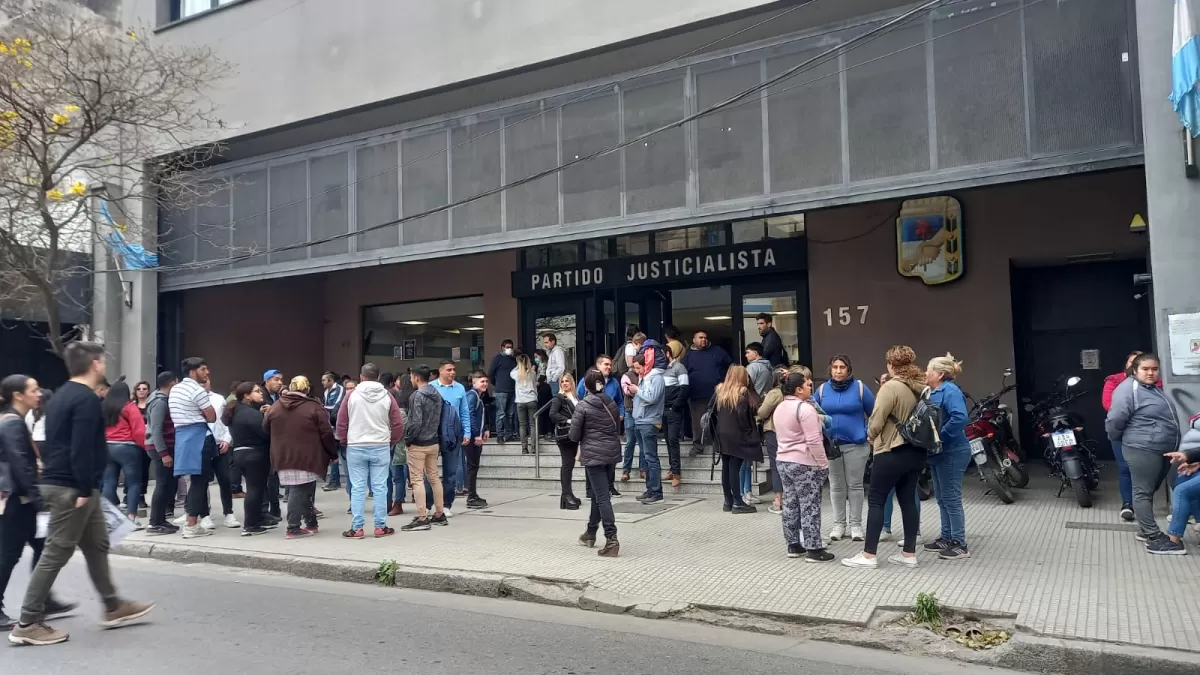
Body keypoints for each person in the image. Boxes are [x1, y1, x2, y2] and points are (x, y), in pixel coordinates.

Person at [9, 341, 154, 646]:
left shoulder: (62, 394)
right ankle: (28, 621)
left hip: (71, 484)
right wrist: (85, 487)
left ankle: (113, 606)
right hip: (73, 487)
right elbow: (81, 448)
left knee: (96, 545)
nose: (104, 365)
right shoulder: (86, 399)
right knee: (56, 551)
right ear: (96, 364)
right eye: (103, 361)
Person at [0, 375, 77, 631]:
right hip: (16, 500)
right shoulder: (11, 423)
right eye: (33, 390)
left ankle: (45, 599)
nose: (39, 394)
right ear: (18, 395)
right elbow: (20, 464)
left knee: (43, 547)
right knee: (8, 555)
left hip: (23, 498)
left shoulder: (16, 420)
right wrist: (37, 496)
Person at [842, 346, 927, 570]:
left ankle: (869, 555)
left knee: (877, 500)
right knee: (908, 500)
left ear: (891, 364)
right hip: (916, 450)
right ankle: (909, 553)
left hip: (891, 449)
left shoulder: (891, 387)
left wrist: (871, 436)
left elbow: (877, 421)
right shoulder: (920, 386)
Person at [1105, 353, 1181, 553]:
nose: (1150, 372)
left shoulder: (1153, 389)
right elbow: (1115, 419)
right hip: (1143, 448)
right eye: (1145, 369)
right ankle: (1154, 537)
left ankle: (1144, 528)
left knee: (1148, 490)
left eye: (1154, 369)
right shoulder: (1128, 388)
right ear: (1135, 370)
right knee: (1142, 491)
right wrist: (1117, 437)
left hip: (1160, 449)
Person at [337, 363, 404, 539]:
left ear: (361, 377)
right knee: (380, 487)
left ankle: (357, 528)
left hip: (356, 445)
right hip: (381, 445)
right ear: (379, 376)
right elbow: (398, 423)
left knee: (358, 487)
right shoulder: (388, 396)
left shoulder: (351, 396)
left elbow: (342, 422)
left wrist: (345, 441)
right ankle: (380, 526)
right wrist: (391, 441)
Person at [265, 376, 337, 539]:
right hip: (307, 456)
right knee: (299, 490)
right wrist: (332, 453)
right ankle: (293, 527)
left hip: (282, 455)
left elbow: (265, 426)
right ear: (306, 389)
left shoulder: (275, 406)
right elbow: (326, 432)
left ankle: (311, 523)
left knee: (303, 490)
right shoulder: (313, 407)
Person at [813, 355, 875, 542]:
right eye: (835, 367)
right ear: (830, 370)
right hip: (832, 446)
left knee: (855, 485)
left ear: (849, 369)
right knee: (836, 486)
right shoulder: (822, 390)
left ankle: (856, 525)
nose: (838, 371)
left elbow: (875, 413)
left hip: (856, 445)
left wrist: (865, 432)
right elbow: (812, 413)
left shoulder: (861, 388)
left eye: (842, 367)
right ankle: (838, 524)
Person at [773, 369, 833, 562]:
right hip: (805, 462)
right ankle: (814, 549)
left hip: (783, 460)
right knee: (810, 505)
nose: (810, 387)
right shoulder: (806, 409)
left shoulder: (780, 407)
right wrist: (823, 464)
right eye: (808, 385)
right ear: (799, 389)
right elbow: (814, 440)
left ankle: (793, 544)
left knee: (790, 503)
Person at [923, 354, 972, 560]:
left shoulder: (950, 391)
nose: (926, 373)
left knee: (951, 497)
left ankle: (959, 543)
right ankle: (946, 536)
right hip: (939, 452)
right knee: (942, 497)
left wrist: (940, 437)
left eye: (929, 370)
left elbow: (960, 417)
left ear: (940, 374)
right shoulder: (933, 391)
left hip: (952, 451)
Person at [570, 368, 622, 557]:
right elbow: (617, 426)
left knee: (602, 497)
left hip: (593, 454)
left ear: (585, 385)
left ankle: (611, 538)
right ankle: (591, 532)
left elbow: (574, 435)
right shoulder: (612, 403)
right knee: (599, 493)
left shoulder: (582, 406)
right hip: (611, 453)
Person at [168, 357, 218, 539]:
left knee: (193, 481)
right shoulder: (198, 391)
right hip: (198, 438)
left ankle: (191, 521)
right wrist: (201, 414)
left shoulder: (175, 389)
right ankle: (191, 525)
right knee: (199, 483)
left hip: (182, 437)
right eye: (203, 369)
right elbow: (211, 416)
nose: (207, 373)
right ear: (192, 372)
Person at [1102, 351, 1148, 522]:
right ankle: (1127, 504)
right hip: (1121, 431)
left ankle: (1144, 506)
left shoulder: (1154, 382)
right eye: (1132, 362)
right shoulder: (1114, 380)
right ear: (1126, 365)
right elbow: (1108, 404)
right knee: (1125, 468)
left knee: (1146, 470)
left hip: (1147, 432)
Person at [400, 366, 448, 531]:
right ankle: (439, 513)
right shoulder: (436, 394)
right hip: (433, 441)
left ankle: (422, 517)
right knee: (434, 477)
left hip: (418, 443)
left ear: (417, 377)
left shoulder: (417, 395)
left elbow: (415, 422)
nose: (411, 380)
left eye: (412, 377)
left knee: (417, 480)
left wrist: (408, 439)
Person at [224, 382, 274, 536]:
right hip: (254, 454)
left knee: (254, 488)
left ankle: (256, 520)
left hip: (240, 453)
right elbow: (265, 434)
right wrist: (266, 418)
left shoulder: (236, 411)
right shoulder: (251, 414)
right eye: (257, 391)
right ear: (246, 395)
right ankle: (250, 525)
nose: (261, 394)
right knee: (255, 489)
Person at [711, 365, 763, 514]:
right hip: (737, 434)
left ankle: (728, 501)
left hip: (722, 434)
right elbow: (742, 412)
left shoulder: (720, 391)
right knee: (735, 467)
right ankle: (738, 502)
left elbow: (711, 410)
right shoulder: (742, 391)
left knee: (726, 467)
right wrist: (748, 430)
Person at [101, 381, 147, 529]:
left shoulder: (104, 407)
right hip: (127, 447)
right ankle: (131, 518)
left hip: (107, 446)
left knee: (109, 482)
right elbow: (139, 431)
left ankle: (110, 519)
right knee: (133, 483)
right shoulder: (130, 407)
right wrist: (143, 446)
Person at [576, 355, 623, 499]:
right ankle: (590, 489)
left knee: (610, 457)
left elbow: (619, 401)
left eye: (610, 365)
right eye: (606, 364)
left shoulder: (614, 382)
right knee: (591, 456)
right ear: (598, 366)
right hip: (592, 425)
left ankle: (610, 486)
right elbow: (579, 396)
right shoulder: (586, 380)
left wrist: (621, 414)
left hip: (610, 426)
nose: (609, 367)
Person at [431, 361, 472, 518]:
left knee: (451, 472)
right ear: (440, 371)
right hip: (433, 434)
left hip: (453, 434)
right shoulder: (431, 387)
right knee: (430, 471)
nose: (452, 372)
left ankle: (447, 504)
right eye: (449, 370)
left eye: (454, 370)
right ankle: (429, 503)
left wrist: (467, 432)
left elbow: (465, 412)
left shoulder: (460, 388)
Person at [144, 371, 181, 536]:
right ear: (172, 383)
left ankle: (160, 520)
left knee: (168, 484)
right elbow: (157, 430)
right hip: (160, 448)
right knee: (162, 484)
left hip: (162, 447)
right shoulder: (160, 402)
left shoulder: (160, 399)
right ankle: (154, 522)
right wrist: (164, 454)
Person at [685, 330, 731, 456]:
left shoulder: (718, 351)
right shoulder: (688, 356)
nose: (703, 340)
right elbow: (684, 374)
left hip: (717, 394)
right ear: (694, 340)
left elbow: (730, 367)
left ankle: (720, 445)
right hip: (696, 394)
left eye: (705, 337)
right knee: (697, 422)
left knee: (719, 419)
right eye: (700, 337)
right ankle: (698, 446)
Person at [202, 380, 239, 530]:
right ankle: (204, 514)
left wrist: (226, 439)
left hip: (219, 444)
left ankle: (228, 513)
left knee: (225, 479)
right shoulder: (192, 399)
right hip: (202, 444)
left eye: (206, 381)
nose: (204, 383)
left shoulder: (218, 398)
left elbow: (225, 421)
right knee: (202, 481)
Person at [741, 342, 774, 503]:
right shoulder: (769, 368)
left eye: (748, 353)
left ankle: (744, 492)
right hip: (761, 410)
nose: (746, 356)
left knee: (744, 457)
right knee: (749, 456)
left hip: (751, 412)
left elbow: (745, 387)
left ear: (755, 353)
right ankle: (746, 491)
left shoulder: (752, 368)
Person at [550, 373, 581, 510]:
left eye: (567, 381)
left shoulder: (575, 397)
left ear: (572, 382)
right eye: (562, 381)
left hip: (573, 435)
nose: (564, 383)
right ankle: (566, 495)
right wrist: (567, 420)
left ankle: (567, 494)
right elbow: (553, 414)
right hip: (565, 435)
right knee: (567, 465)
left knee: (570, 464)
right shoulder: (559, 398)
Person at [662, 341, 690, 488]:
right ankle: (672, 470)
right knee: (667, 440)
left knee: (673, 439)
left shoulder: (679, 367)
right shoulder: (661, 369)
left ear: (667, 354)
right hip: (663, 409)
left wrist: (675, 406)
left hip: (673, 410)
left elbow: (684, 389)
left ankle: (677, 473)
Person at [619, 336, 646, 482]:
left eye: (638, 368)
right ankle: (626, 470)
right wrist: (637, 389)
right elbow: (627, 390)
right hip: (630, 411)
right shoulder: (626, 375)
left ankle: (643, 469)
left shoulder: (645, 376)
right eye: (635, 367)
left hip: (642, 412)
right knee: (630, 441)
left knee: (642, 442)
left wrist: (638, 388)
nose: (637, 370)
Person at [463, 371, 491, 509]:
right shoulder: (472, 396)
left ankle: (473, 494)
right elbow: (470, 415)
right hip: (472, 437)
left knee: (474, 466)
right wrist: (476, 435)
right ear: (474, 383)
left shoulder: (477, 396)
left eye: (486, 381)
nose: (485, 384)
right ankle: (471, 496)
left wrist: (484, 428)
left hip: (476, 434)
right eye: (482, 381)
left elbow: (479, 415)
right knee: (472, 467)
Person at [488, 339, 518, 443]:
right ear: (502, 348)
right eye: (507, 347)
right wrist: (497, 384)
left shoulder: (513, 360)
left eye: (511, 347)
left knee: (510, 413)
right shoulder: (497, 358)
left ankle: (509, 434)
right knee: (501, 413)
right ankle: (500, 435)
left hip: (512, 390)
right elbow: (490, 373)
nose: (509, 349)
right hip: (501, 390)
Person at [321, 371, 346, 492]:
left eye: (324, 380)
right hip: (330, 425)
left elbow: (336, 405)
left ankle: (336, 481)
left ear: (331, 380)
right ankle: (334, 481)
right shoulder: (326, 392)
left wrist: (325, 409)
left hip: (339, 424)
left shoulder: (340, 389)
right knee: (333, 455)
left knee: (343, 456)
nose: (322, 382)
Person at [512, 353, 540, 455]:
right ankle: (533, 448)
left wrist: (519, 364)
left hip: (520, 401)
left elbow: (512, 371)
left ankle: (524, 448)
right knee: (533, 424)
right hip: (532, 400)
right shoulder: (532, 373)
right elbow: (535, 382)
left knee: (522, 425)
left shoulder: (515, 374)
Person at [132, 381, 153, 509]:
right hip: (134, 442)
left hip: (149, 441)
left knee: (145, 470)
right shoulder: (132, 406)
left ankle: (141, 495)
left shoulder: (151, 405)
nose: (141, 391)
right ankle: (134, 496)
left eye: (144, 388)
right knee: (135, 470)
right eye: (139, 388)